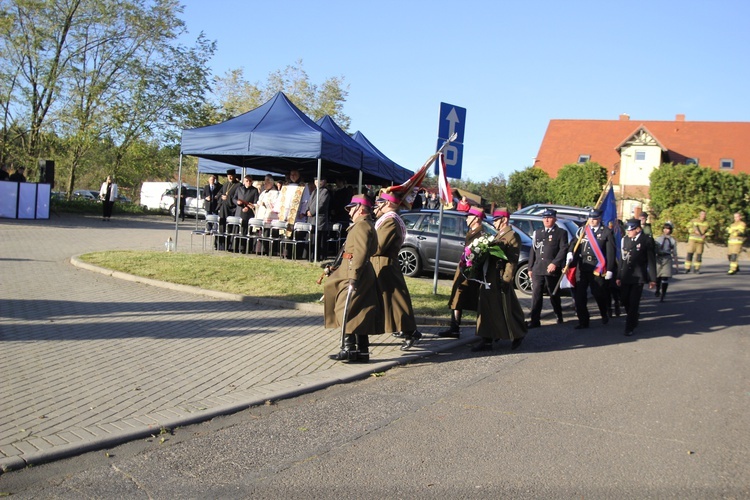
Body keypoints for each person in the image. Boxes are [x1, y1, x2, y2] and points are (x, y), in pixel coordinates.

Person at [323, 194, 383, 363]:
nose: (349, 212)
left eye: (351, 208)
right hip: (356, 270)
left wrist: (353, 277)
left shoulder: (362, 226)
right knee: (359, 312)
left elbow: (361, 253)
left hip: (356, 272)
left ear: (360, 208)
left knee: (345, 310)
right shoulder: (363, 225)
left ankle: (348, 348)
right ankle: (362, 352)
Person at [473, 208, 529, 351]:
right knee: (486, 306)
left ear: (504, 220)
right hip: (489, 276)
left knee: (506, 308)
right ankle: (486, 338)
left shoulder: (512, 236)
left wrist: (506, 279)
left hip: (499, 277)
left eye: (497, 220)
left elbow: (512, 260)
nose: (494, 222)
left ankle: (517, 334)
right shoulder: (498, 234)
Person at [372, 191, 421, 350]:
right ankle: (401, 329)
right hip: (381, 263)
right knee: (387, 300)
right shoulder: (387, 219)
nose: (378, 205)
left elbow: (379, 246)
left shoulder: (390, 221)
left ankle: (411, 332)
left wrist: (364, 245)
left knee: (396, 300)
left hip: (386, 264)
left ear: (389, 203)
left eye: (381, 202)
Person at [437, 206, 486, 338]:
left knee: (472, 300)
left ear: (476, 219)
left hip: (471, 273)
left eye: (469, 217)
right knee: (457, 298)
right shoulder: (471, 232)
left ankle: (487, 331)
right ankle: (454, 327)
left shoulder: (481, 235)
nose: (466, 219)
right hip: (463, 269)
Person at [570, 208, 616, 329]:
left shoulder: (606, 232)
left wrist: (610, 269)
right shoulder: (583, 230)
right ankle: (583, 320)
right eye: (590, 219)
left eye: (594, 219)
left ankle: (604, 312)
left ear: (599, 219)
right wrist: (570, 253)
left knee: (598, 293)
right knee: (579, 296)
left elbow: (611, 252)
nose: (592, 221)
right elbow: (573, 243)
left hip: (597, 267)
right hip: (583, 266)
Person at [527, 208, 568, 328]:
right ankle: (535, 320)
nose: (546, 220)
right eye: (544, 218)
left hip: (552, 269)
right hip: (538, 268)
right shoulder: (538, 232)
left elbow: (563, 249)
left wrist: (555, 263)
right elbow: (533, 251)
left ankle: (558, 314)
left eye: (549, 217)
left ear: (554, 219)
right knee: (536, 294)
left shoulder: (561, 233)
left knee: (553, 294)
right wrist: (530, 267)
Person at [616, 218, 657, 336]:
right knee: (624, 300)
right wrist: (618, 276)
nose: (628, 232)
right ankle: (633, 316)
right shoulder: (625, 240)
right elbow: (622, 260)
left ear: (638, 229)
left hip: (638, 276)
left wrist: (653, 279)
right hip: (625, 276)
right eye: (628, 230)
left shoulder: (646, 240)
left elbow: (651, 261)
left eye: (631, 230)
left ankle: (629, 327)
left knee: (634, 302)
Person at [306, 177, 331, 260]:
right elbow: (309, 202)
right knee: (312, 238)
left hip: (320, 219)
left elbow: (321, 204)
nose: (317, 182)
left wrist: (312, 212)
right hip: (312, 219)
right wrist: (307, 210)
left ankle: (319, 257)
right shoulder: (314, 191)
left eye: (319, 180)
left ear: (324, 181)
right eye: (316, 180)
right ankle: (311, 256)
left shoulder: (325, 192)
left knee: (319, 239)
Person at [654, 221, 678, 301]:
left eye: (668, 229)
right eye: (665, 228)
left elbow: (674, 252)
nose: (666, 230)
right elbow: (654, 249)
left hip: (667, 258)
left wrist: (676, 264)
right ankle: (657, 289)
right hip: (658, 258)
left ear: (670, 230)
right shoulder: (658, 239)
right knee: (658, 277)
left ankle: (663, 294)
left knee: (665, 277)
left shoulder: (672, 240)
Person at [217, 169, 240, 247]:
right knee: (221, 226)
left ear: (234, 176)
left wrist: (228, 198)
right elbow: (220, 193)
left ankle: (229, 245)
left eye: (231, 175)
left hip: (232, 209)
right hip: (223, 208)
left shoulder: (238, 185)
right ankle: (221, 244)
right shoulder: (225, 184)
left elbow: (237, 197)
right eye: (228, 176)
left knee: (229, 227)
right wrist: (221, 197)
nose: (230, 177)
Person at [233, 174, 259, 240]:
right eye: (247, 181)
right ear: (244, 181)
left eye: (250, 181)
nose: (248, 182)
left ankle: (244, 248)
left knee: (246, 231)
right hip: (239, 211)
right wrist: (237, 202)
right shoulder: (239, 188)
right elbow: (234, 198)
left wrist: (248, 208)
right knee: (237, 230)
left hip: (248, 213)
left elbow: (255, 203)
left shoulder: (254, 190)